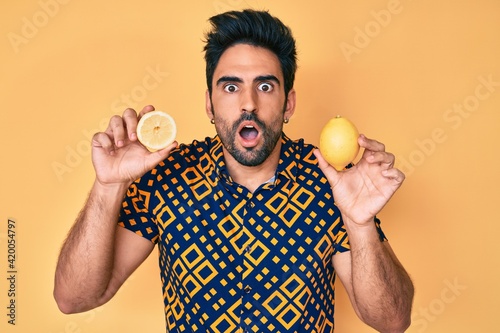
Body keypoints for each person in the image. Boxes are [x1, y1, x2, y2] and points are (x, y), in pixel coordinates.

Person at [54, 9, 414, 333]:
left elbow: (391, 321)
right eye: (231, 86)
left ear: (288, 103)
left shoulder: (331, 182)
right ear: (209, 104)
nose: (248, 103)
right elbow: (75, 299)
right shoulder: (167, 178)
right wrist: (108, 185)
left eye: (265, 85)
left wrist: (360, 224)